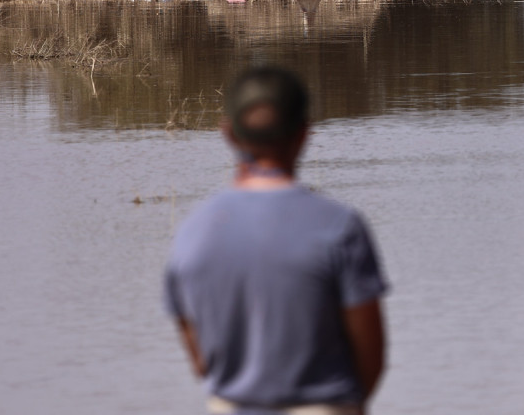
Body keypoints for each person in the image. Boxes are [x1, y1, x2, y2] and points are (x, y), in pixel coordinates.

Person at [164, 67, 388, 415]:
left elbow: (202, 361)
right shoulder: (340, 227)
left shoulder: (192, 233)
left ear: (228, 134)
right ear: (304, 134)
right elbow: (370, 359)